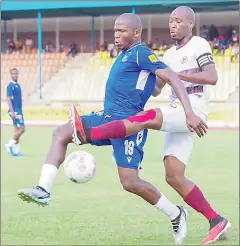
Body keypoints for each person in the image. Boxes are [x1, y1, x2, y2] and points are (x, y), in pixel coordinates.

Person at [17, 13, 206, 244]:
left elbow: (173, 79)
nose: (116, 35)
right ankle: (43, 190)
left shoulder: (141, 53)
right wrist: (152, 83)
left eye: (122, 31)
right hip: (106, 118)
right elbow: (155, 89)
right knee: (61, 133)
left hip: (128, 126)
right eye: (115, 31)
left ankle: (176, 214)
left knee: (130, 182)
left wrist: (188, 112)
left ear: (136, 33)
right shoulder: (126, 55)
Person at [70, 7, 231, 245]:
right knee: (174, 176)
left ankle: (89, 132)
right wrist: (143, 76)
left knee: (147, 117)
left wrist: (178, 77)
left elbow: (211, 77)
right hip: (179, 114)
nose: (173, 25)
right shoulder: (166, 55)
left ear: (191, 23)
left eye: (178, 21)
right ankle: (217, 221)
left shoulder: (199, 44)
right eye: (170, 21)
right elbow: (156, 89)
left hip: (192, 110)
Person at [6, 68, 25, 156]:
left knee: (17, 130)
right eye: (13, 74)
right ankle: (9, 145)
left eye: (16, 73)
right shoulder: (10, 85)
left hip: (19, 110)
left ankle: (16, 152)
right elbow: (8, 98)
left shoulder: (18, 85)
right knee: (22, 129)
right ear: (11, 75)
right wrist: (13, 112)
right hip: (15, 111)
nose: (15, 75)